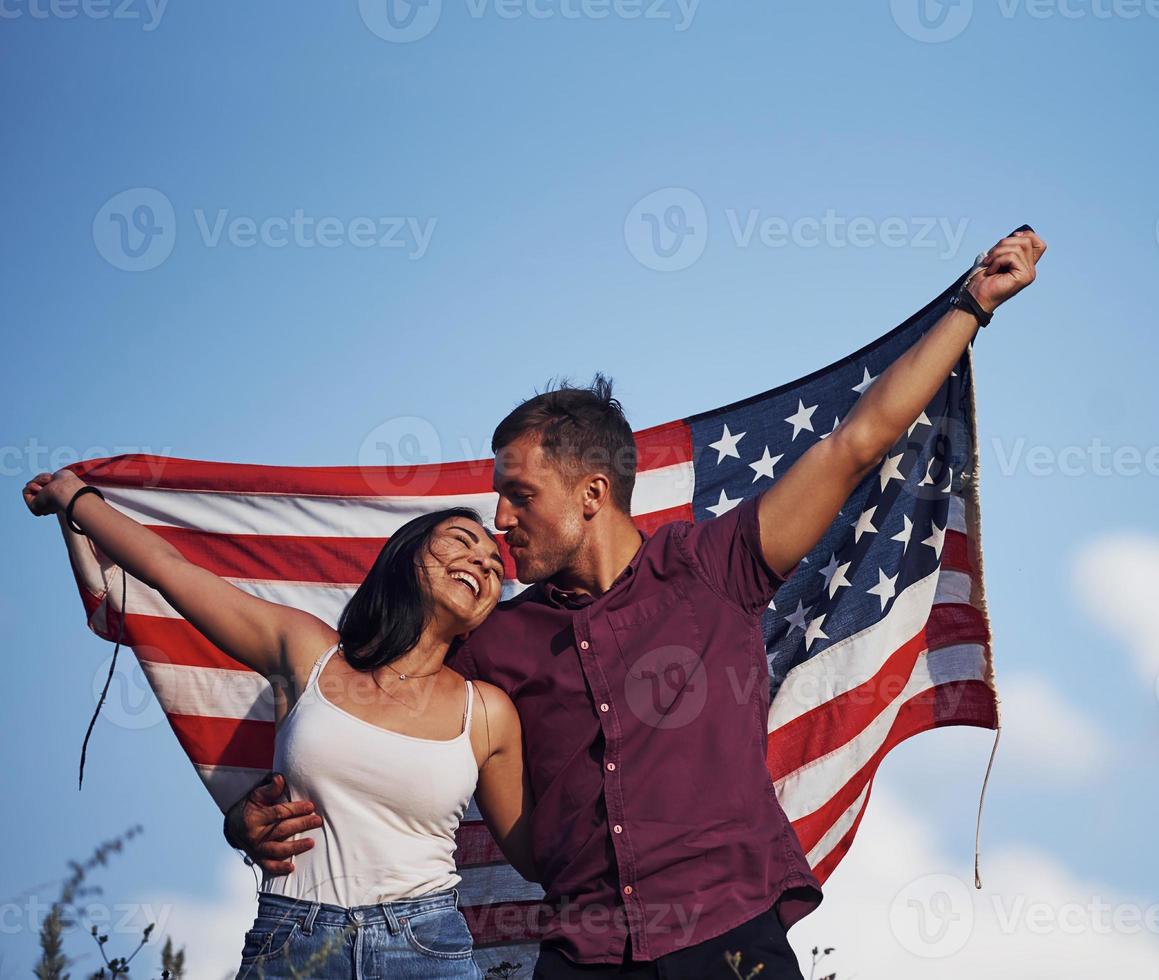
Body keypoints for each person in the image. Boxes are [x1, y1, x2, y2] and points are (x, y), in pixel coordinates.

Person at [229, 228, 1048, 978]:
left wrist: (971, 304)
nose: (501, 522)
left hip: (729, 937)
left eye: (518, 495)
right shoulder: (492, 642)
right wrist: (248, 821)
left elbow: (854, 442)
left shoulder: (716, 565)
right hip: (580, 954)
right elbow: (366, 713)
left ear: (591, 492)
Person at [23, 470, 536, 979]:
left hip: (427, 947)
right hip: (293, 938)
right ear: (406, 556)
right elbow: (167, 569)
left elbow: (538, 856)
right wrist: (74, 497)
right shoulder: (308, 652)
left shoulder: (487, 713)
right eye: (461, 541)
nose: (481, 563)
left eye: (495, 566)